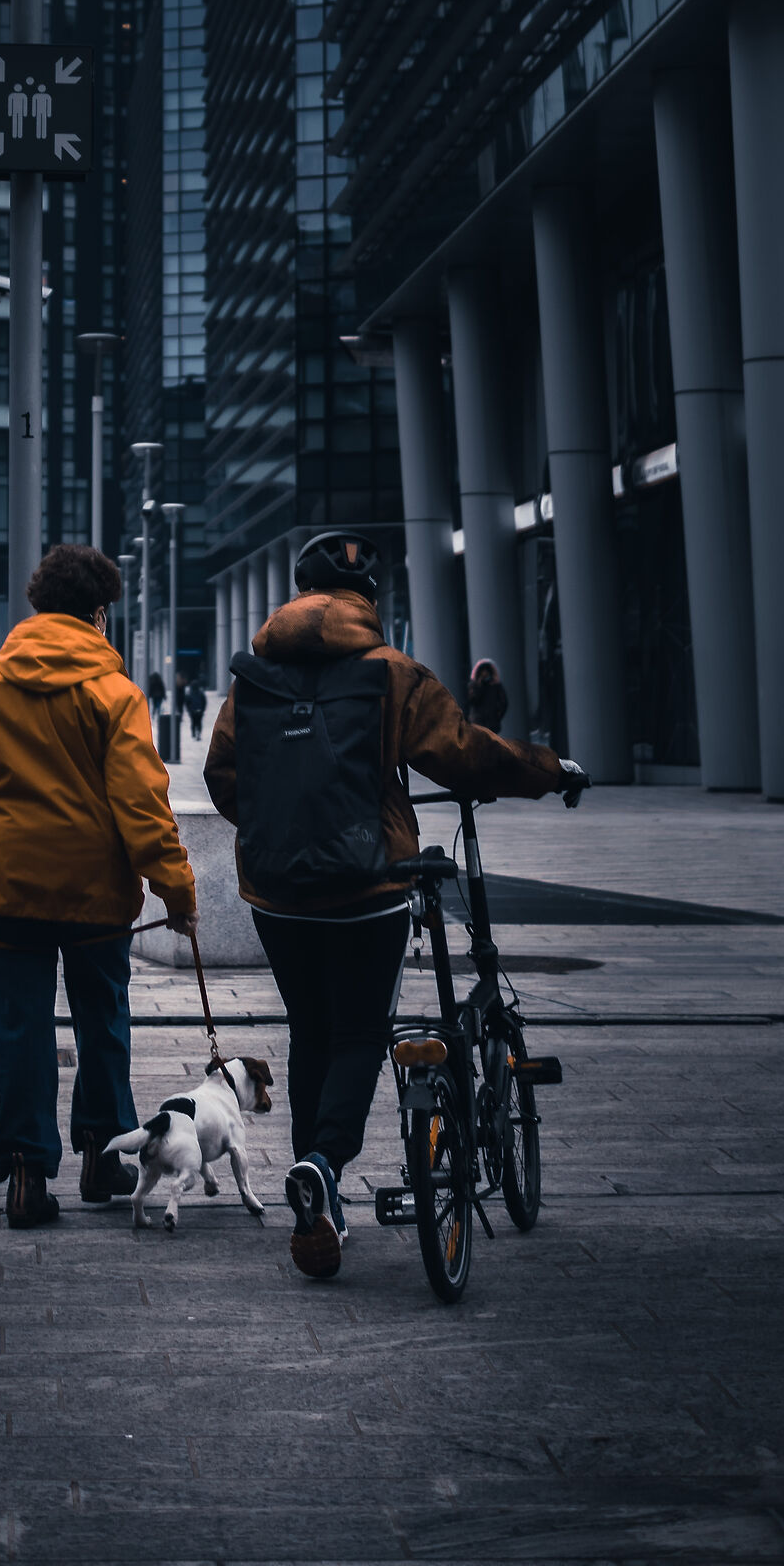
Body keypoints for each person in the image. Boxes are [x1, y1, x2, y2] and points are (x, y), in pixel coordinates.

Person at [204, 531, 581, 1281]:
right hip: (367, 886)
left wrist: (286, 828)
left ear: (298, 593)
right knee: (358, 1034)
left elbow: (223, 777)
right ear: (366, 602)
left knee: (311, 1029)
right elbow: (464, 753)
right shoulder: (390, 673)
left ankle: (323, 1192)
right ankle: (321, 1159)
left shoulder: (253, 677)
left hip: (277, 894)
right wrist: (550, 769)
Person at [0, 544, 198, 1229]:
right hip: (95, 897)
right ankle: (104, 1159)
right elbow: (143, 804)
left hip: (3, 893)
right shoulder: (115, 695)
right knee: (103, 1021)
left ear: (37, 608)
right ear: (98, 614)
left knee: (17, 1031)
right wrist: (176, 890)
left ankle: (24, 1171)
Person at [466, 656, 508, 731]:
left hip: (491, 724)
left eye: (486, 672)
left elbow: (504, 703)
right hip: (478, 724)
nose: (484, 674)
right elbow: (472, 700)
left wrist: (497, 716)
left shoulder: (495, 685)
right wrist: (479, 685)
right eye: (482, 672)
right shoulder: (474, 685)